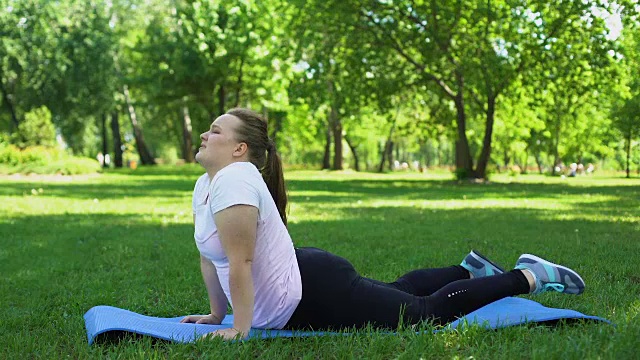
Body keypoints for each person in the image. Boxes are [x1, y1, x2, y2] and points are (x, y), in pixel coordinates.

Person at [180, 108, 586, 340]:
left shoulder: (235, 178)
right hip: (307, 280)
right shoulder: (207, 183)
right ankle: (468, 270)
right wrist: (218, 316)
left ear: (239, 148)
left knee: (424, 312)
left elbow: (242, 262)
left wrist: (241, 329)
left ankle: (530, 276)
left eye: (214, 131)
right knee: (402, 292)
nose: (203, 134)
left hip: (311, 292)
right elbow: (209, 257)